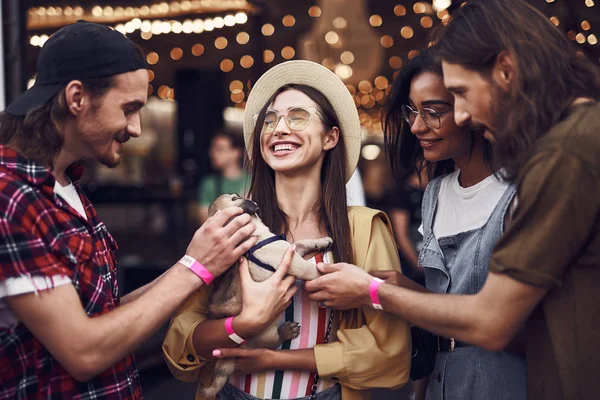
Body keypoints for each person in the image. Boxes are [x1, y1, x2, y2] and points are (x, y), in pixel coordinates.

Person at [305, 1, 600, 399]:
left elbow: (495, 322)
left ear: (506, 70)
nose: (462, 115)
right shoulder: (571, 141)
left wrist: (373, 292)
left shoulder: (564, 153)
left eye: (457, 95)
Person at [0, 21, 257, 399]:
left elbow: (102, 315)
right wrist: (194, 268)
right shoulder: (13, 196)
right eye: (129, 108)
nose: (136, 128)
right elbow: (83, 351)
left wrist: (200, 263)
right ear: (76, 99)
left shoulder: (66, 185)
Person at [163, 60, 411, 400]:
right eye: (269, 120)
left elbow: (390, 354)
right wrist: (239, 326)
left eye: (297, 117)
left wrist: (275, 358)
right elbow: (179, 342)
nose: (278, 129)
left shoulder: (364, 228)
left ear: (330, 137)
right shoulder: (230, 226)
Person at [384, 49, 524, 400]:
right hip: (438, 383)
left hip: (501, 381)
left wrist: (381, 293)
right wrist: (400, 286)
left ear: (471, 107)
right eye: (412, 111)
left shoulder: (518, 192)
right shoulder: (435, 194)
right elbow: (439, 311)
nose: (416, 126)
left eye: (433, 111)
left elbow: (508, 322)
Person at [198, 130, 249, 224]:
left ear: (236, 152)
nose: (212, 153)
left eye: (219, 149)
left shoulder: (253, 181)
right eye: (212, 149)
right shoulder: (209, 183)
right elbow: (205, 222)